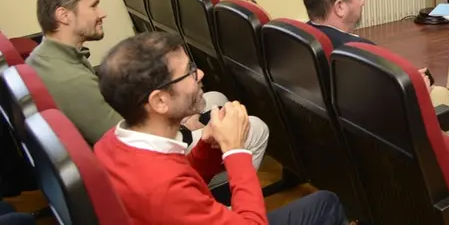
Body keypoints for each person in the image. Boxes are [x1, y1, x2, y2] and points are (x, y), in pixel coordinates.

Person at [26, 0, 268, 186]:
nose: (102, 13)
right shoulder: (69, 78)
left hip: (123, 148)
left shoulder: (48, 55)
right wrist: (182, 127)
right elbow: (126, 139)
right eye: (94, 6)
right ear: (64, 15)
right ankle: (220, 195)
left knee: (214, 98)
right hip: (137, 167)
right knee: (255, 127)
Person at [94, 32, 353, 225]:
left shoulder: (111, 142)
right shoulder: (162, 187)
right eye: (190, 72)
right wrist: (234, 151)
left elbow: (183, 179)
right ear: (159, 101)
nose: (201, 74)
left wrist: (207, 148)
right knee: (325, 204)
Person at [302, 0, 449, 156]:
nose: (362, 2)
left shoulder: (304, 39)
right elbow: (390, 111)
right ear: (340, 7)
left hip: (341, 136)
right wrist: (414, 89)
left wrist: (410, 81)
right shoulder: (359, 54)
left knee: (442, 94)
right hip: (396, 147)